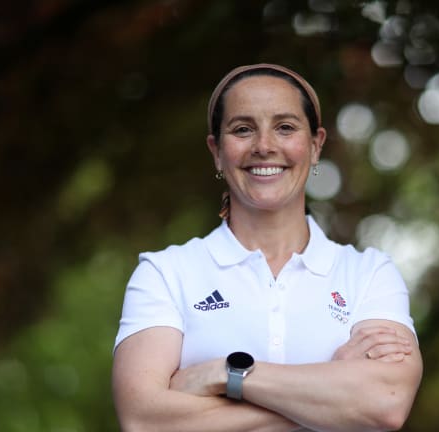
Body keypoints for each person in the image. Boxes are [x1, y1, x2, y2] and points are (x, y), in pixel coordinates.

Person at [112, 63, 422, 431]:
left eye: (285, 127)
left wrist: (224, 375)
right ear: (216, 151)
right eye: (243, 129)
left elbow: (385, 405)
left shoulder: (369, 274)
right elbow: (145, 421)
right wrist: (328, 398)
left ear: (315, 145)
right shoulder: (165, 273)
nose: (264, 146)